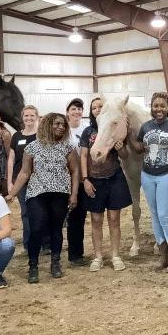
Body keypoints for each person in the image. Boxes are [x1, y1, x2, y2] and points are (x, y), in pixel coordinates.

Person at [7, 113, 80, 283]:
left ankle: (55, 263)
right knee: (36, 228)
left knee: (56, 229)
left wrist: (74, 194)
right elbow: (25, 173)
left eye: (63, 125)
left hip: (60, 193)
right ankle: (33, 266)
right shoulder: (32, 147)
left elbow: (75, 171)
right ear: (47, 124)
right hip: (36, 193)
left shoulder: (68, 147)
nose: (61, 127)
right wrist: (11, 193)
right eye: (57, 124)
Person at [132, 92, 168, 274]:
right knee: (155, 215)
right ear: (151, 107)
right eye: (155, 105)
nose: (159, 109)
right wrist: (129, 138)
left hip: (167, 174)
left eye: (162, 105)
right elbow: (140, 148)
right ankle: (163, 256)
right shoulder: (146, 126)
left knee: (165, 215)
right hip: (148, 175)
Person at [80, 96, 133, 272]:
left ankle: (115, 255)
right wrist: (85, 179)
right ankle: (98, 256)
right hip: (94, 179)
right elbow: (84, 157)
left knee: (114, 218)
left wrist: (120, 148)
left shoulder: (116, 127)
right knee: (96, 219)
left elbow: (125, 156)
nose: (97, 110)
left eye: (100, 107)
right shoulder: (88, 132)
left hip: (113, 177)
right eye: (93, 107)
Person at [7, 105, 40, 252]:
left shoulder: (41, 135)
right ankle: (29, 244)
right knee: (25, 212)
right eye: (26, 115)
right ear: (22, 117)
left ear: (37, 117)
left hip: (39, 180)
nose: (29, 118)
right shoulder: (16, 136)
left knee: (40, 211)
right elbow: (11, 159)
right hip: (20, 180)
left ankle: (44, 243)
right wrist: (10, 182)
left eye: (32, 115)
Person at [65, 98, 91, 267]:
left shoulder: (86, 130)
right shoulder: (63, 130)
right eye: (73, 109)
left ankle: (77, 254)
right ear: (68, 111)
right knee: (69, 217)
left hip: (83, 179)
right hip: (66, 179)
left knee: (78, 217)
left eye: (79, 109)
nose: (77, 112)